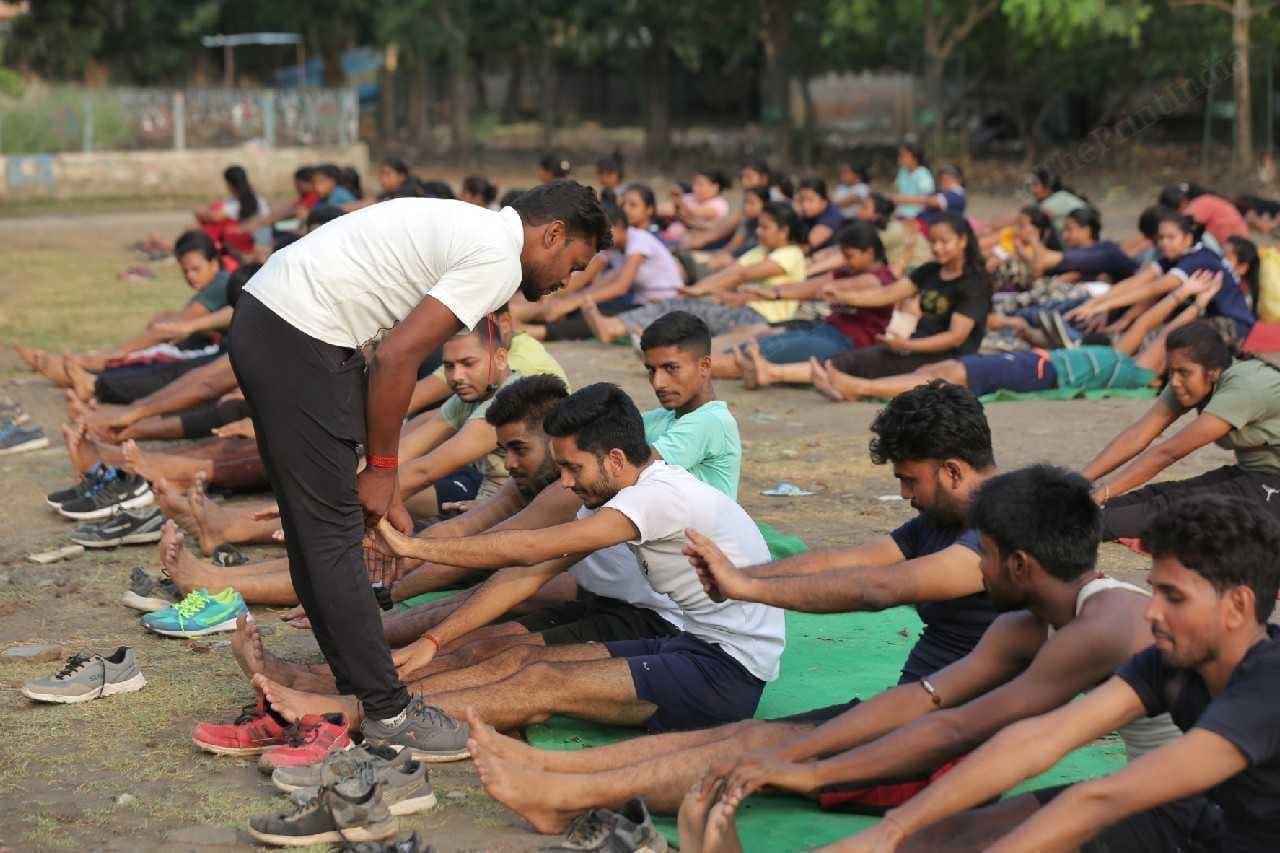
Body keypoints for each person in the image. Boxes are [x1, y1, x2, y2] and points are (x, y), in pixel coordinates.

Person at [394, 380, 1000, 830]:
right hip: (908, 710)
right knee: (736, 737)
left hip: (942, 746)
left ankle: (554, 791)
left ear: (949, 471)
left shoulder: (990, 542)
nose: (903, 495)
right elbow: (858, 560)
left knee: (739, 750)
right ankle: (554, 781)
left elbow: (881, 589)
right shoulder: (942, 522)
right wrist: (746, 576)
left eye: (909, 480)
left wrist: (751, 587)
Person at [225, 180, 608, 755]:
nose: (564, 284)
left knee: (319, 533)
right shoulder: (500, 258)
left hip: (275, 320)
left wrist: (379, 473)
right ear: (552, 233)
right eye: (573, 265)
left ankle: (356, 687)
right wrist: (380, 469)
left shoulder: (472, 228)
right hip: (302, 332)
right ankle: (388, 711)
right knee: (332, 536)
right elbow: (398, 355)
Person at [250, 383, 786, 750]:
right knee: (519, 661)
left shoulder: (658, 496)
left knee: (543, 680)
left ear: (617, 460)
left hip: (726, 673)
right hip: (689, 642)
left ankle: (348, 712)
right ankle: (346, 697)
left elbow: (528, 548)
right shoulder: (627, 492)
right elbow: (527, 573)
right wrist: (435, 642)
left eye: (573, 468)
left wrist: (414, 550)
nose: (567, 482)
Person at [679, 466, 1181, 851]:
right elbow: (923, 702)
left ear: (1021, 565)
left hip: (1195, 813)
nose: (978, 570)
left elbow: (961, 730)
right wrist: (788, 758)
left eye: (983, 554)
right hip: (1142, 792)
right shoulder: (1024, 626)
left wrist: (816, 774)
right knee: (943, 837)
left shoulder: (1102, 623)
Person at [849, 496, 1280, 853]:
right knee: (946, 837)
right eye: (1154, 590)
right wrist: (895, 829)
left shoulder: (1268, 684)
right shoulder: (1169, 660)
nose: (1151, 611)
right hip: (1207, 826)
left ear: (1238, 606)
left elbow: (1103, 798)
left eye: (1174, 597)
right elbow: (1040, 739)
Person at [805, 272, 1224, 404]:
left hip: (1039, 372)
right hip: (1039, 362)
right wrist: (1184, 296)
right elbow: (1146, 325)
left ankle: (857, 388)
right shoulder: (1121, 358)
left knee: (948, 373)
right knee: (938, 369)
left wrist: (1188, 305)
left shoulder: (1135, 375)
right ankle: (858, 387)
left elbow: (1165, 336)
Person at [741, 211, 990, 389]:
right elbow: (886, 294)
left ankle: (773, 373)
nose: (937, 248)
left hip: (948, 356)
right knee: (858, 359)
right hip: (913, 344)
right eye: (933, 241)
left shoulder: (974, 282)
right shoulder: (930, 271)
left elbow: (955, 338)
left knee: (864, 361)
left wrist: (908, 345)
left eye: (944, 242)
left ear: (963, 241)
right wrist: (845, 296)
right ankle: (771, 372)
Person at [1084, 320, 1280, 540]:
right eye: (1171, 371)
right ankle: (1071, 516)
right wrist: (1077, 482)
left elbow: (1168, 453)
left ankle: (1067, 528)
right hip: (1254, 474)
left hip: (1272, 485)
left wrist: (1103, 492)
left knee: (1170, 510)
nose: (1175, 382)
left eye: (1183, 372)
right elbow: (1139, 434)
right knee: (1156, 494)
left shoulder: (1245, 386)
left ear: (1213, 371)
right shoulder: (1191, 380)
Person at [584, 202, 808, 341]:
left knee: (686, 311)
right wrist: (703, 289)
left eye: (764, 227)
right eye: (758, 226)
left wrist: (700, 290)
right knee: (678, 306)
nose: (758, 232)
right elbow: (730, 272)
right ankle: (617, 328)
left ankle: (617, 328)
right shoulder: (760, 250)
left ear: (784, 230)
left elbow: (741, 275)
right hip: (739, 305)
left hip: (760, 317)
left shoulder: (791, 254)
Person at [712, 222, 896, 381]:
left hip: (847, 345)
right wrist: (770, 293)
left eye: (849, 256)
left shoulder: (879, 279)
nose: (845, 262)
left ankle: (698, 370)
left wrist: (774, 294)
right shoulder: (848, 272)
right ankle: (702, 365)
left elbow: (821, 289)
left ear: (870, 253)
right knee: (761, 344)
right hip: (823, 331)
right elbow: (810, 285)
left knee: (763, 352)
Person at [1065, 211, 1254, 351]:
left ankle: (1085, 346)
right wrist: (1096, 303)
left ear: (1188, 238)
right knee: (1144, 334)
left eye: (1171, 238)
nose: (1164, 243)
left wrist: (1099, 307)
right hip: (1204, 317)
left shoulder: (1200, 258)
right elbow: (1136, 282)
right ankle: (1083, 342)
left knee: (1159, 343)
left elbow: (1152, 289)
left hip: (1230, 326)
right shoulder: (1172, 257)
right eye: (1161, 238)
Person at [532, 202, 685, 341]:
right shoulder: (612, 245)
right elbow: (585, 276)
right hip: (640, 302)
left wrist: (574, 302)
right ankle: (535, 319)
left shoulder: (638, 242)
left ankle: (540, 331)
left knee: (591, 319)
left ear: (618, 225)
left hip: (664, 304)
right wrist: (555, 295)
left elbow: (621, 287)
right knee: (579, 309)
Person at [1161, 181, 1249, 245]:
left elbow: (1180, 224)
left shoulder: (1201, 202)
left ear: (1183, 202)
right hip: (1237, 243)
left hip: (1233, 246)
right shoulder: (1209, 200)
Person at [794, 178, 847, 253]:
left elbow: (807, 246)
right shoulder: (807, 215)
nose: (805, 205)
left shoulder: (832, 217)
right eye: (802, 200)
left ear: (824, 201)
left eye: (810, 200)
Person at [893, 140, 934, 220]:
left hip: (917, 217)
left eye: (903, 155)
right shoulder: (902, 171)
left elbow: (928, 199)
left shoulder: (923, 173)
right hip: (900, 214)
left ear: (914, 157)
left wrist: (902, 199)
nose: (899, 158)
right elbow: (898, 191)